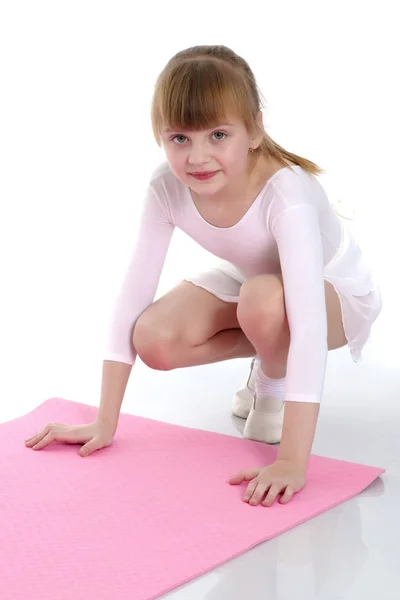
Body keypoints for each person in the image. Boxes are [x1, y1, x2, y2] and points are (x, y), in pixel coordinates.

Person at [25, 45, 382, 507]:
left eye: (217, 135)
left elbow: (310, 325)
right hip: (252, 280)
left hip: (333, 293)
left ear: (254, 130)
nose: (197, 157)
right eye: (179, 138)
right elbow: (133, 293)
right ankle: (267, 348)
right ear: (159, 136)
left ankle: (270, 382)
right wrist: (104, 420)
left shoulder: (285, 193)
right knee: (153, 337)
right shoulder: (165, 188)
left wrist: (293, 461)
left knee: (263, 301)